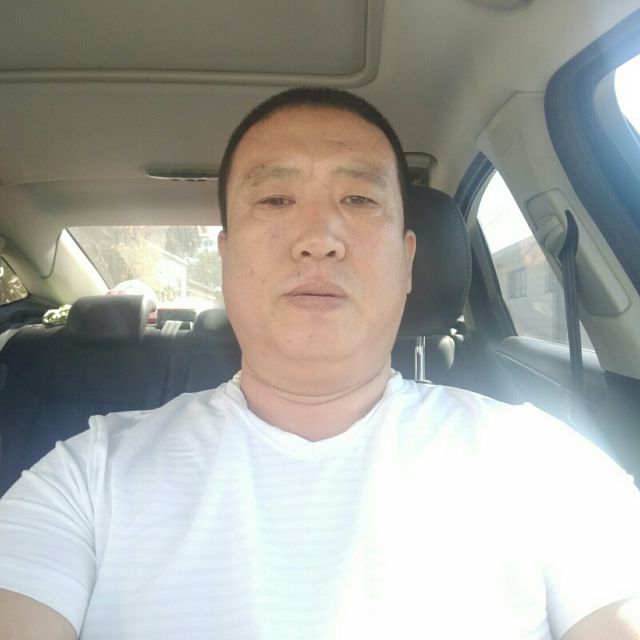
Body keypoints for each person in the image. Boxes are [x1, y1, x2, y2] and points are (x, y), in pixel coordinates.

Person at [1, 87, 640, 640]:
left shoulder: (542, 464)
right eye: (275, 199)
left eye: (359, 199)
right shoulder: (87, 478)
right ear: (226, 257)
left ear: (407, 261)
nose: (318, 239)